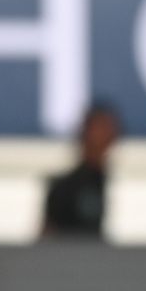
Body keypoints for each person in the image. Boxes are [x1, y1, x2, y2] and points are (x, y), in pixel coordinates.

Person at [41, 102, 120, 239]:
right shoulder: (64, 188)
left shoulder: (102, 180)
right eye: (101, 128)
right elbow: (47, 235)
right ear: (85, 134)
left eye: (109, 129)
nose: (107, 134)